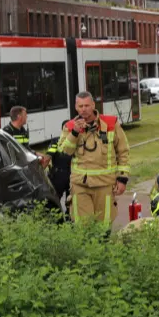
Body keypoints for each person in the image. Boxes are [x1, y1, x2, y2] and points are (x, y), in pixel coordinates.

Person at [59, 91, 131, 228]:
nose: (84, 109)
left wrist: (122, 179)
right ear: (76, 107)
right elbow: (64, 152)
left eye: (87, 105)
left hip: (104, 185)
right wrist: (74, 132)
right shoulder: (69, 127)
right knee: (83, 226)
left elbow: (123, 152)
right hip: (80, 185)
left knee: (103, 226)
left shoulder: (110, 124)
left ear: (93, 105)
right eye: (80, 106)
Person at [45, 120, 72, 212]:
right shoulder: (55, 141)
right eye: (66, 127)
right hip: (58, 175)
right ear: (62, 129)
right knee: (54, 201)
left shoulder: (77, 141)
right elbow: (48, 157)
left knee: (71, 202)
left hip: (72, 175)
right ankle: (55, 221)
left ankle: (69, 222)